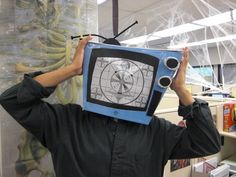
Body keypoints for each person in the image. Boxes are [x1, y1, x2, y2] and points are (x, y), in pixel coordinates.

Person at [0, 35, 221, 177]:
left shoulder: (156, 131)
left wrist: (181, 90)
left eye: (128, 72)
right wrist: (72, 69)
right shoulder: (66, 123)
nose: (120, 80)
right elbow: (13, 100)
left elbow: (207, 144)